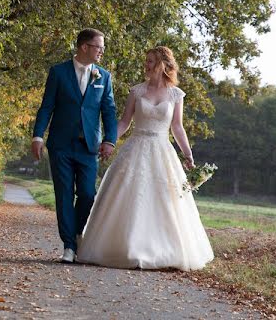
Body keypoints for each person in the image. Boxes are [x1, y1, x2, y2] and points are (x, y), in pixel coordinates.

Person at [77, 46, 214, 270]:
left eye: (151, 61)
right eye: (146, 60)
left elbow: (177, 127)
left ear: (163, 64)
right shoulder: (137, 91)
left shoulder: (175, 94)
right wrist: (108, 141)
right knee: (130, 196)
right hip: (136, 147)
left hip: (163, 150)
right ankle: (124, 247)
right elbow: (124, 122)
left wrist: (188, 154)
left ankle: (164, 250)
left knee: (164, 199)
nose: (146, 65)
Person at [32, 28, 118, 263]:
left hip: (89, 147)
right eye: (98, 46)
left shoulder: (104, 77)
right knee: (64, 195)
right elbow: (46, 106)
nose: (102, 51)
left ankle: (79, 234)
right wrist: (37, 136)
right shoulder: (58, 72)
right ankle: (69, 246)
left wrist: (110, 140)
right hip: (60, 145)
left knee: (88, 194)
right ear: (84, 47)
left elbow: (109, 111)